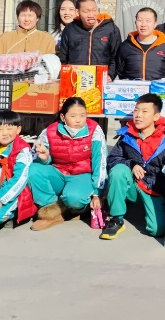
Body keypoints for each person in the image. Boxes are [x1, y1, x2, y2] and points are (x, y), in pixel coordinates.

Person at [101, 93, 165, 241]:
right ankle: (116, 218)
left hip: (154, 189)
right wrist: (131, 164)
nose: (138, 115)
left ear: (156, 116)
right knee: (118, 171)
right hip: (133, 185)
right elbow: (113, 159)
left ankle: (153, 208)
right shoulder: (127, 136)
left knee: (156, 230)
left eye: (144, 111)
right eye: (136, 110)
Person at [27, 97, 107, 231]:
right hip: (58, 172)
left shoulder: (95, 130)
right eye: (73, 116)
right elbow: (36, 157)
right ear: (63, 117)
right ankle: (50, 212)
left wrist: (97, 194)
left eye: (82, 115)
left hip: (82, 175)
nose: (78, 120)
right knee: (34, 170)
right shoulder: (50, 131)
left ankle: (77, 209)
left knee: (74, 199)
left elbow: (101, 162)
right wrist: (44, 158)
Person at [57, 0, 122, 81]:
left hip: (102, 79)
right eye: (86, 11)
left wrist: (110, 75)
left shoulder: (111, 29)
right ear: (77, 12)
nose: (91, 15)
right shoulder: (70, 30)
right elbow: (63, 58)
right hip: (76, 79)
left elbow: (116, 57)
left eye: (94, 10)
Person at [115, 7, 165, 81]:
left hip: (158, 87)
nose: (143, 24)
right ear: (135, 23)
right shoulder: (126, 46)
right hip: (133, 87)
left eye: (148, 21)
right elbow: (120, 71)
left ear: (155, 24)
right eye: (140, 20)